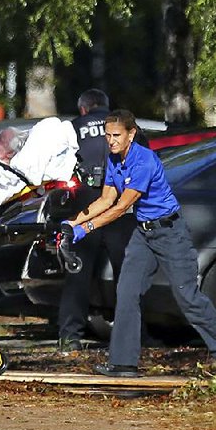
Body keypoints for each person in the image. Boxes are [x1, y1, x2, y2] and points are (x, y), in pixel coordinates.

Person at [64, 109, 216, 377]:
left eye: (116, 135)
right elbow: (105, 200)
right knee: (126, 291)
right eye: (107, 136)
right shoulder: (114, 159)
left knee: (188, 297)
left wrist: (86, 228)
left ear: (131, 134)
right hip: (144, 234)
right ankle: (123, 363)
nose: (110, 141)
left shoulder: (144, 161)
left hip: (170, 232)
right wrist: (73, 223)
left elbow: (120, 207)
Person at [57, 90, 142, 353]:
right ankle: (133, 338)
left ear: (84, 109)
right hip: (121, 209)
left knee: (78, 275)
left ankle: (70, 337)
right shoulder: (127, 128)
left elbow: (58, 167)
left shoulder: (72, 129)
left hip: (85, 207)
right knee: (126, 277)